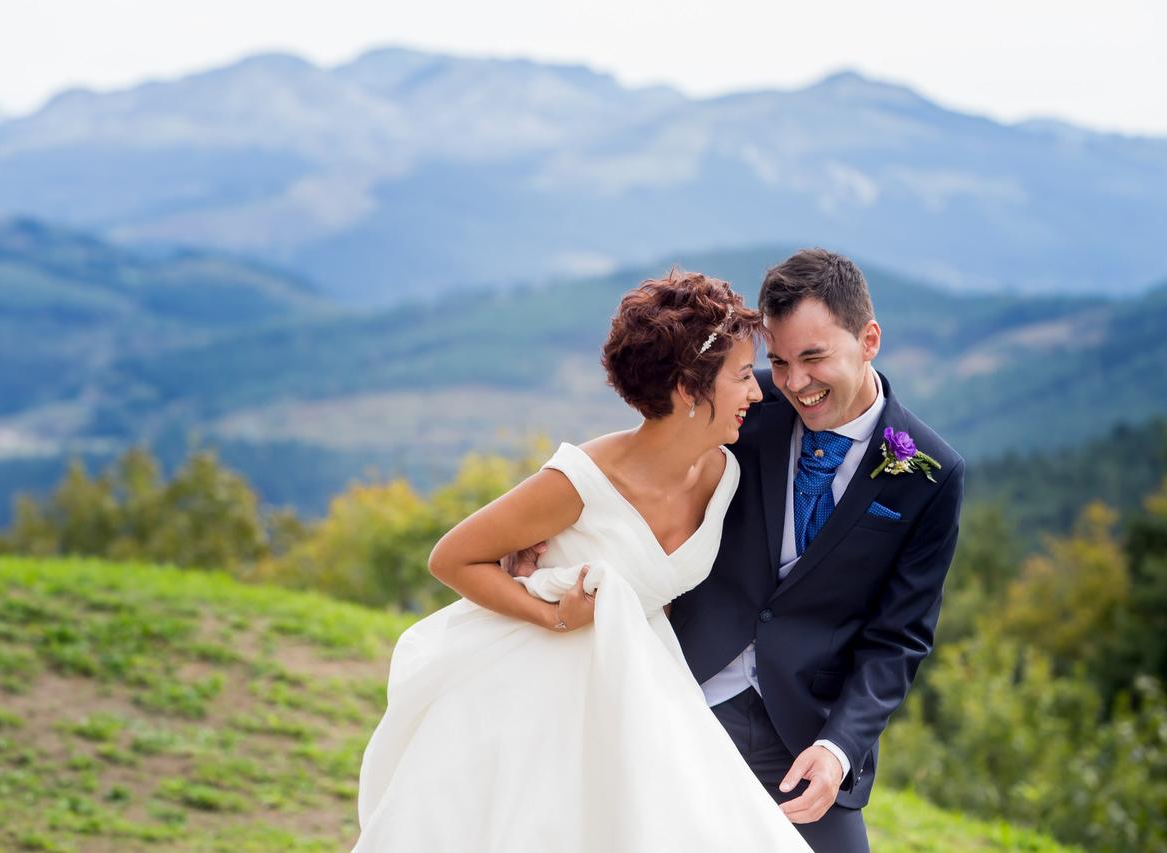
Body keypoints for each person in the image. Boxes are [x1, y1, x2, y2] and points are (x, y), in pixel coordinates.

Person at [353, 270, 810, 852]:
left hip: (638, 683)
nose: (757, 392)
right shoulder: (582, 480)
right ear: (688, 389)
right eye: (744, 376)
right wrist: (551, 614)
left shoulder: (725, 474)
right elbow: (453, 559)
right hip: (535, 690)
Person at [668, 249, 966, 852]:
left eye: (813, 357)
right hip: (685, 694)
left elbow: (899, 636)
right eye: (777, 360)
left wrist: (837, 750)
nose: (794, 383)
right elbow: (643, 459)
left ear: (869, 340)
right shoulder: (745, 406)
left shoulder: (931, 474)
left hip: (807, 734)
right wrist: (561, 518)